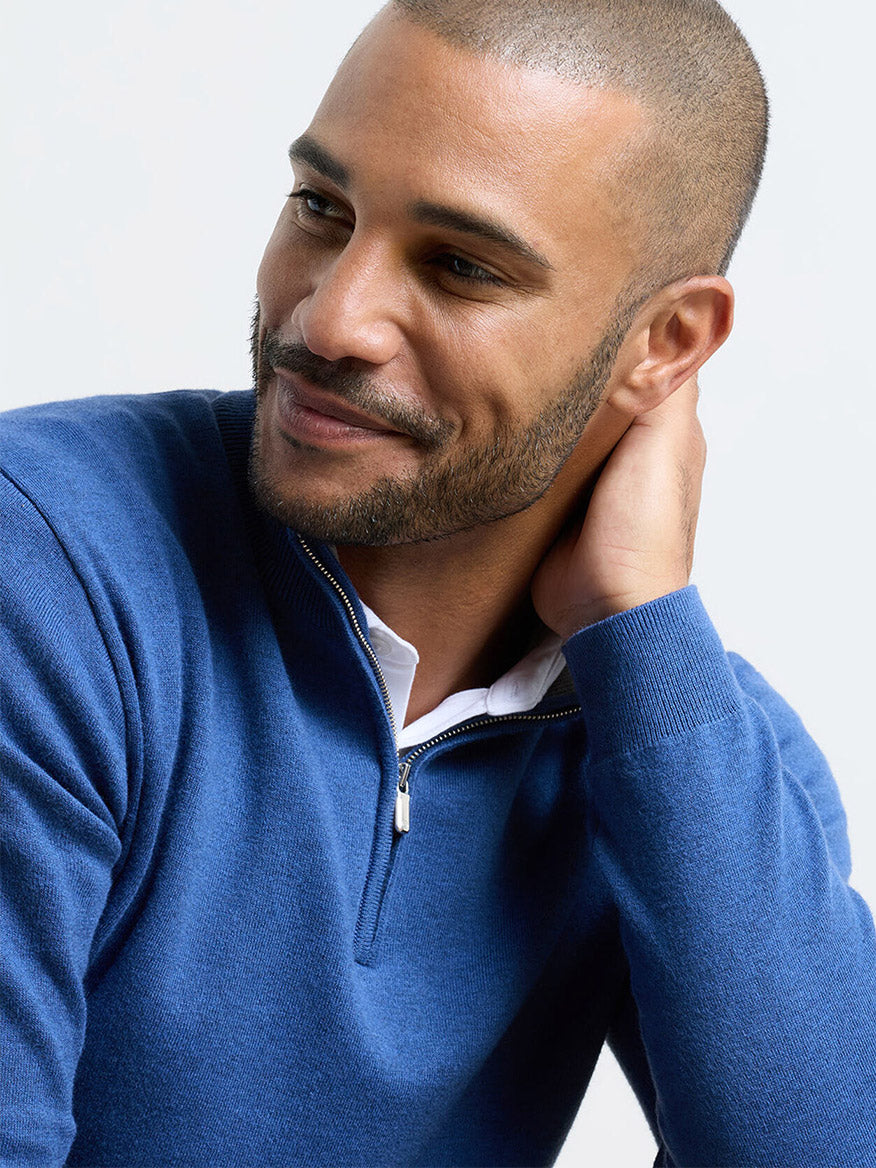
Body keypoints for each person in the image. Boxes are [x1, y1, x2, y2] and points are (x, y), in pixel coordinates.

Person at [1, 0, 874, 1163]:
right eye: (322, 208)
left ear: (663, 345)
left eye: (460, 266)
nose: (328, 317)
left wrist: (645, 625)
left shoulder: (695, 754)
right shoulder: (48, 567)